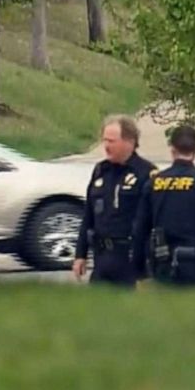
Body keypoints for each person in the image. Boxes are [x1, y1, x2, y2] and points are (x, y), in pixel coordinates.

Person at [132, 125, 195, 287]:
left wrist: (139, 270)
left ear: (172, 149)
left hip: (163, 266)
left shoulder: (154, 183)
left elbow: (139, 229)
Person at [73, 115, 157, 286]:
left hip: (130, 258)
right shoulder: (101, 171)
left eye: (112, 141)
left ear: (129, 142)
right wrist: (80, 254)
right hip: (102, 258)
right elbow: (89, 214)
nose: (106, 146)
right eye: (105, 140)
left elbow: (153, 220)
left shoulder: (146, 173)